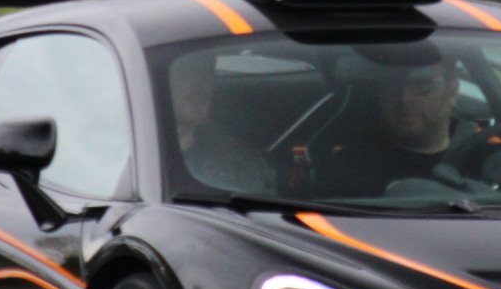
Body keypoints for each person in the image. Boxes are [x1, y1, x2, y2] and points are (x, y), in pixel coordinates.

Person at [309, 47, 462, 199]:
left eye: (422, 86)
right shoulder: (349, 169)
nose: (405, 99)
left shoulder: (478, 156)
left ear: (452, 91)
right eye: (392, 86)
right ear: (379, 95)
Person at [169, 51, 273, 195]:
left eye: (206, 74)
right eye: (187, 74)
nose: (200, 84)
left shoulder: (231, 154)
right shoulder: (141, 149)